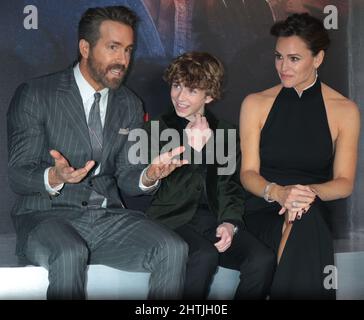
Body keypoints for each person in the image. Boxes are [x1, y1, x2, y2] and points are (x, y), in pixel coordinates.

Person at [7, 5, 189, 300]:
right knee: (69, 254)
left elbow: (129, 177)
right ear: (85, 48)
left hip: (106, 218)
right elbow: (18, 174)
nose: (123, 60)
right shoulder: (37, 94)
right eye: (113, 48)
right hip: (46, 216)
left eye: (128, 50)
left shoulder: (129, 103)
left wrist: (149, 175)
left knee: (172, 248)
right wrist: (53, 176)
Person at [239, 13, 360, 299]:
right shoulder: (255, 104)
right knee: (301, 220)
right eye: (279, 57)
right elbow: (248, 174)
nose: (283, 66)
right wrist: (280, 193)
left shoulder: (345, 110)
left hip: (311, 207)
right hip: (263, 207)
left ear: (317, 59)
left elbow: (344, 182)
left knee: (303, 217)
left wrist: (304, 194)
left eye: (293, 59)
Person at [145, 52, 275, 299]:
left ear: (210, 95)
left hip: (211, 221)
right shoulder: (156, 129)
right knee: (203, 255)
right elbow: (166, 192)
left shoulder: (226, 132)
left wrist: (230, 223)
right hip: (170, 220)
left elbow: (230, 187)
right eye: (176, 86)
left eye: (192, 90)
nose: (180, 97)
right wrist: (193, 148)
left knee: (262, 259)